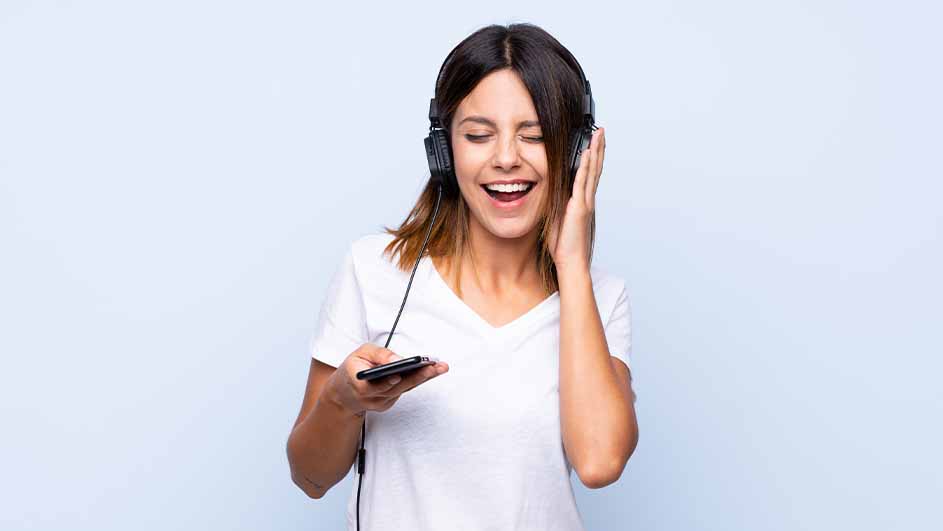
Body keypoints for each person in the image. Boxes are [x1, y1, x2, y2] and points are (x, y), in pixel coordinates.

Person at [286, 22, 638, 531]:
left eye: (535, 135)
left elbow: (600, 462)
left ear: (577, 149)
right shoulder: (373, 271)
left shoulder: (600, 297)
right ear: (445, 152)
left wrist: (571, 264)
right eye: (478, 135)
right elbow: (310, 476)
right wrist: (342, 400)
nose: (505, 159)